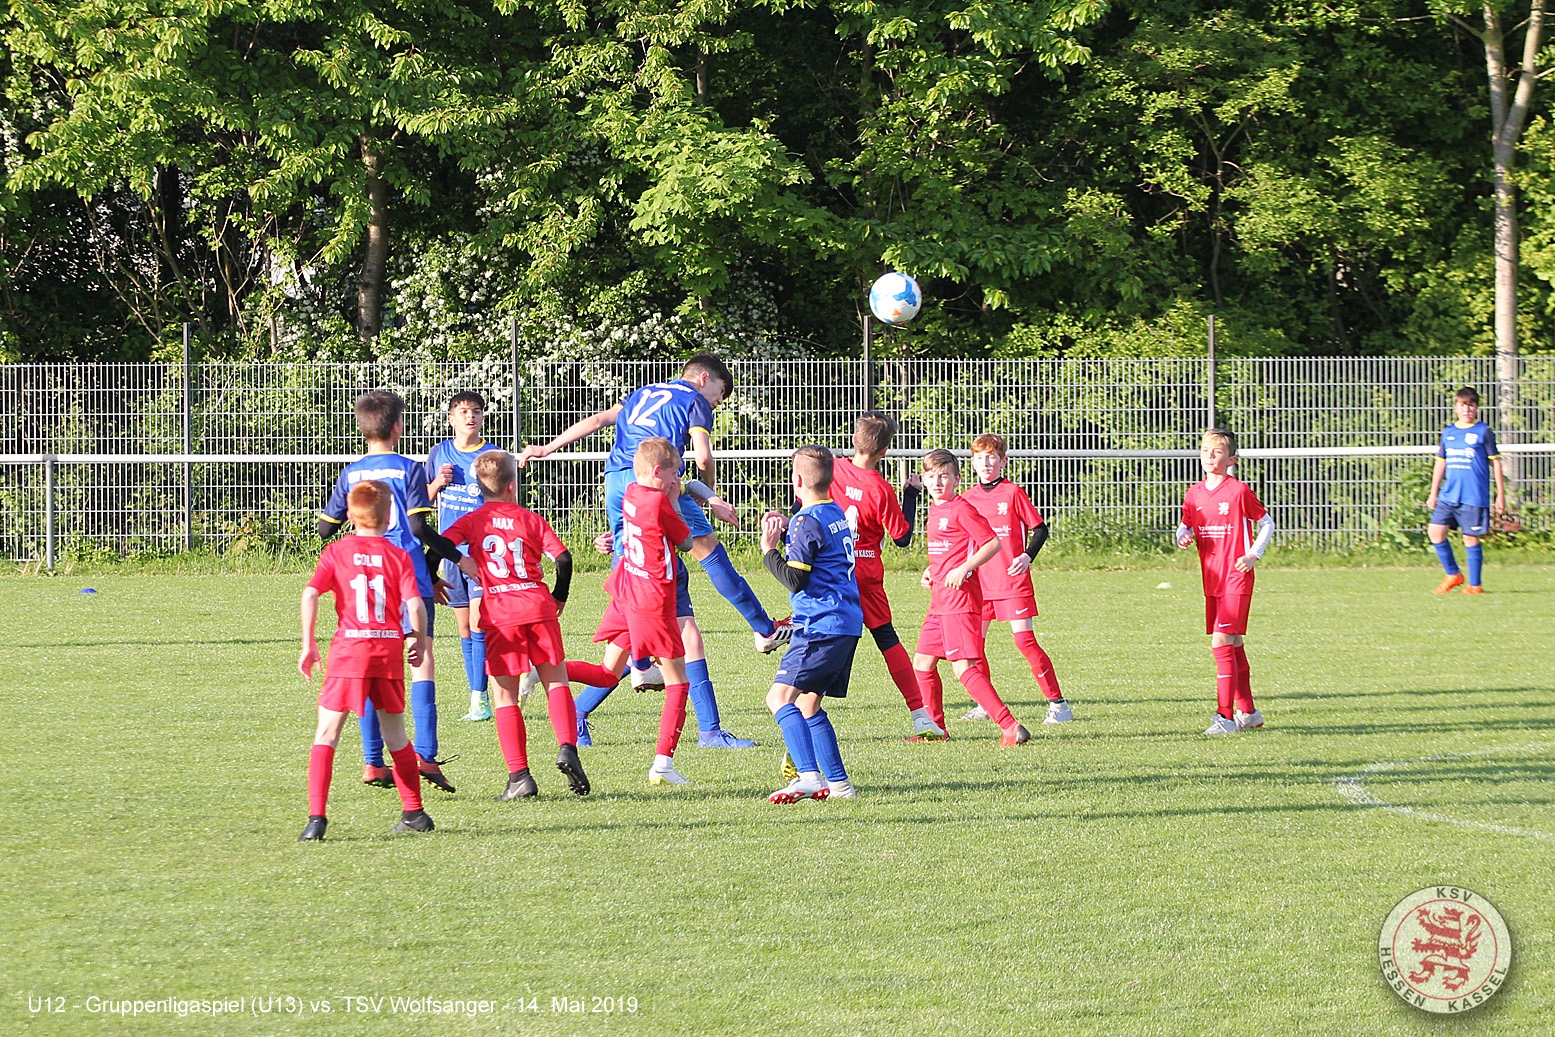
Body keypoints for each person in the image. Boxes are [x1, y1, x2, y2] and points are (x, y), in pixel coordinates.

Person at [515, 354, 792, 654]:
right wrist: (709, 492)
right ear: (704, 379)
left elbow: (598, 420)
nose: (719, 402)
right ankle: (764, 629)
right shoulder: (695, 400)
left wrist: (546, 448)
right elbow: (703, 457)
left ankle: (633, 656)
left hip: (616, 481)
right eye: (721, 392)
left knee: (627, 561)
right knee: (710, 554)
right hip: (657, 481)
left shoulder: (642, 392)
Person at [319, 391, 471, 793]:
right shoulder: (409, 469)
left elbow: (325, 528)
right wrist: (457, 558)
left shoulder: (352, 472)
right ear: (398, 427)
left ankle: (373, 762)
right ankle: (427, 755)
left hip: (366, 576)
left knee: (373, 669)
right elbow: (418, 528)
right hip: (407, 573)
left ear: (362, 428)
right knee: (422, 661)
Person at [297, 481, 441, 840]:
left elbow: (311, 592)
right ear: (390, 516)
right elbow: (415, 605)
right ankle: (414, 811)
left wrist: (309, 644)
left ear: (349, 515)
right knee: (397, 737)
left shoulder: (337, 551)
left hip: (349, 653)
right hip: (387, 652)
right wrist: (419, 640)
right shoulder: (398, 556)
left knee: (327, 734)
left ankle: (316, 818)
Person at [443, 451, 590, 798]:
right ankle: (567, 746)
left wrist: (457, 564)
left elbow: (438, 546)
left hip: (500, 614)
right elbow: (564, 558)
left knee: (504, 695)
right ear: (512, 486)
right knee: (556, 681)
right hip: (538, 606)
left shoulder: (473, 520)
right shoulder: (530, 519)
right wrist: (559, 595)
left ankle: (519, 776)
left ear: (480, 488)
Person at [589, 437, 701, 786]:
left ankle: (542, 671)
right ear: (656, 471)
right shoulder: (658, 502)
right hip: (653, 600)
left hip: (628, 591)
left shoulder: (631, 493)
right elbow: (686, 542)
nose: (676, 479)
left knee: (607, 673)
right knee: (679, 683)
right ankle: (663, 764)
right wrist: (674, 501)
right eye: (673, 472)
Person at [759, 446, 862, 802]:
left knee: (778, 698)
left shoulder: (807, 521)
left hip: (820, 625)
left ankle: (808, 776)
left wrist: (769, 550)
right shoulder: (833, 511)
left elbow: (795, 579)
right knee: (807, 704)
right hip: (846, 623)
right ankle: (840, 786)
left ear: (798, 479)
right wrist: (791, 524)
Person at [826, 412, 938, 739]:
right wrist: (911, 495)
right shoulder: (880, 489)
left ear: (853, 440)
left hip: (834, 570)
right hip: (866, 574)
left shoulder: (833, 469)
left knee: (823, 637)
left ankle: (802, 709)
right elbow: (902, 537)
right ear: (885, 451)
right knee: (887, 639)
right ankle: (919, 713)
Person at [913, 450, 1031, 747]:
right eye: (931, 476)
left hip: (959, 600)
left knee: (963, 667)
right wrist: (931, 570)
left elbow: (992, 543)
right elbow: (950, 550)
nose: (937, 482)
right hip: (939, 600)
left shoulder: (961, 508)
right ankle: (935, 730)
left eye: (944, 476)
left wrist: (964, 569)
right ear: (924, 479)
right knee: (922, 663)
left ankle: (1010, 726)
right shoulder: (935, 509)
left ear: (957, 479)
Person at [961, 434, 1074, 724]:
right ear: (972, 462)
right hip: (980, 584)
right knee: (974, 646)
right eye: (979, 458)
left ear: (1003, 461)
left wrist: (1026, 556)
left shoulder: (1013, 493)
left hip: (1011, 581)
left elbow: (1040, 529)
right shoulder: (968, 499)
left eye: (991, 457)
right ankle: (985, 705)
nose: (986, 463)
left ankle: (1059, 705)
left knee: (1024, 641)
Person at [1177, 428, 1274, 735]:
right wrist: (1183, 536)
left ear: (1231, 459)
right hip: (1212, 578)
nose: (1210, 456)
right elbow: (1184, 525)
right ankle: (1249, 712)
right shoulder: (1194, 493)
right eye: (1205, 450)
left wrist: (1253, 555)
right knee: (1235, 644)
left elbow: (1267, 523)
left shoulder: (1238, 491)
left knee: (1221, 642)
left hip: (1236, 577)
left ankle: (1225, 717)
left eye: (1217, 452)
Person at [425, 391, 501, 722]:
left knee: (478, 622)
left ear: (483, 417)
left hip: (482, 551)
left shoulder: (491, 456)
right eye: (463, 411)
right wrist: (437, 483)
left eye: (476, 411)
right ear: (451, 419)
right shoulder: (439, 453)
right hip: (450, 551)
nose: (470, 416)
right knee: (464, 629)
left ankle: (481, 699)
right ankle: (478, 697)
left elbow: (504, 504)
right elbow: (422, 501)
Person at [1426, 386, 1506, 595]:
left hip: (1473, 496)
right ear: (1456, 407)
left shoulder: (1483, 431)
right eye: (1462, 405)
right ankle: (1453, 574)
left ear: (1476, 408)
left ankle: (1475, 585)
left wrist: (1500, 494)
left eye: (1470, 405)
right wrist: (1433, 492)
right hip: (1449, 494)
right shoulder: (1449, 432)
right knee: (1435, 532)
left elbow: (1496, 462)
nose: (1466, 409)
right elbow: (1441, 462)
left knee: (1470, 538)